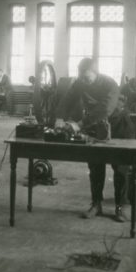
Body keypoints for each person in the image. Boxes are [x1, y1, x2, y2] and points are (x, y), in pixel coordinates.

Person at [55, 58, 129, 222]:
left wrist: (80, 124)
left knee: (120, 168)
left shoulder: (110, 84)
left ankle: (120, 207)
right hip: (96, 125)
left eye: (87, 78)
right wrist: (59, 118)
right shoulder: (80, 82)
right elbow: (67, 99)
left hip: (117, 125)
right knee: (95, 165)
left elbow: (105, 109)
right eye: (81, 77)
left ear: (96, 73)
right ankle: (96, 204)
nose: (83, 81)